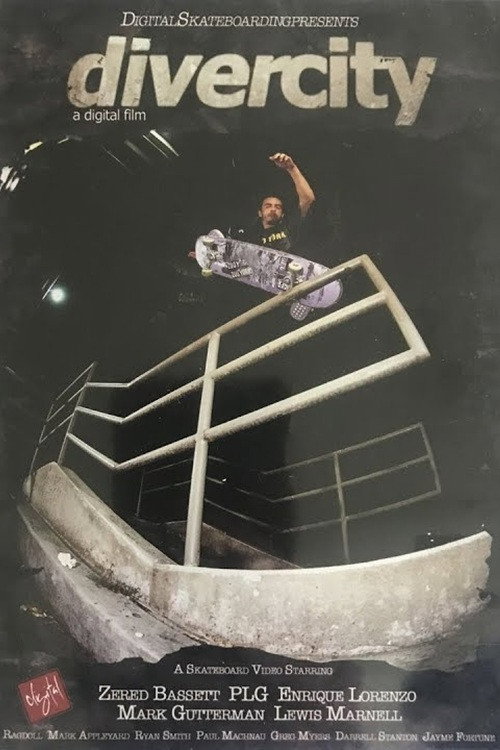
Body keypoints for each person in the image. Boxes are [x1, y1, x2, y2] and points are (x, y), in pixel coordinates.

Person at [242, 152, 316, 252]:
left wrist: (292, 168)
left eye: (278, 207)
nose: (273, 209)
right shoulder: (249, 235)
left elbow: (308, 199)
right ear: (260, 213)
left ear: (282, 215)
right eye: (268, 206)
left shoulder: (289, 227)